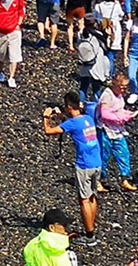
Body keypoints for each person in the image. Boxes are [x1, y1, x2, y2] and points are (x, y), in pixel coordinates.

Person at [43, 92, 103, 247]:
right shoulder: (88, 119)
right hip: (97, 162)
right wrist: (62, 114)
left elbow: (49, 131)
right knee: (92, 197)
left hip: (84, 165)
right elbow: (73, 123)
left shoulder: (72, 124)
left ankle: (90, 236)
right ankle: (91, 229)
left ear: (69, 106)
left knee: (83, 199)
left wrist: (46, 117)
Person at [96, 73, 138, 192]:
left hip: (118, 130)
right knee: (104, 155)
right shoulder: (107, 95)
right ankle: (99, 180)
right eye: (122, 86)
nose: (124, 89)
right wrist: (120, 119)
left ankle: (125, 179)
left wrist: (128, 114)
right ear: (115, 84)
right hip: (105, 129)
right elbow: (104, 114)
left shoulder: (120, 96)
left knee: (124, 153)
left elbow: (119, 110)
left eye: (126, 87)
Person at [0, 0, 27, 88]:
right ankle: (1, 72)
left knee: (14, 56)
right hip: (1, 31)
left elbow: (22, 11)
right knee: (0, 54)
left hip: (14, 30)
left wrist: (19, 24)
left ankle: (11, 77)